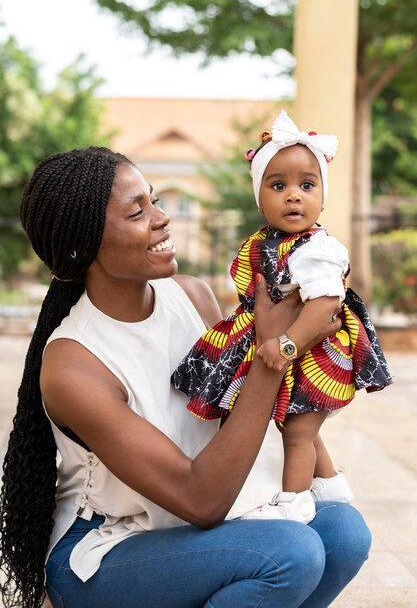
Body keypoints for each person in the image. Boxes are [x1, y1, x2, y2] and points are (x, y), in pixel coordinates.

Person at [0, 146, 372, 608]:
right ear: (82, 244)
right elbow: (200, 500)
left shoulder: (191, 296)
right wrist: (271, 356)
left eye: (154, 200)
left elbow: (240, 416)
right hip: (106, 551)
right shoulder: (74, 364)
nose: (163, 218)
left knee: (343, 532)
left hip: (186, 532)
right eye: (138, 212)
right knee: (289, 555)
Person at [173, 110, 392, 524]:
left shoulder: (317, 249)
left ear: (322, 198)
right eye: (279, 186)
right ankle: (329, 483)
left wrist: (287, 343)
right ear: (260, 199)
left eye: (307, 185)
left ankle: (293, 501)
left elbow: (325, 305)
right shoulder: (265, 242)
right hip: (279, 341)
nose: (294, 195)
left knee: (297, 432)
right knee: (299, 424)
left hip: (316, 353)